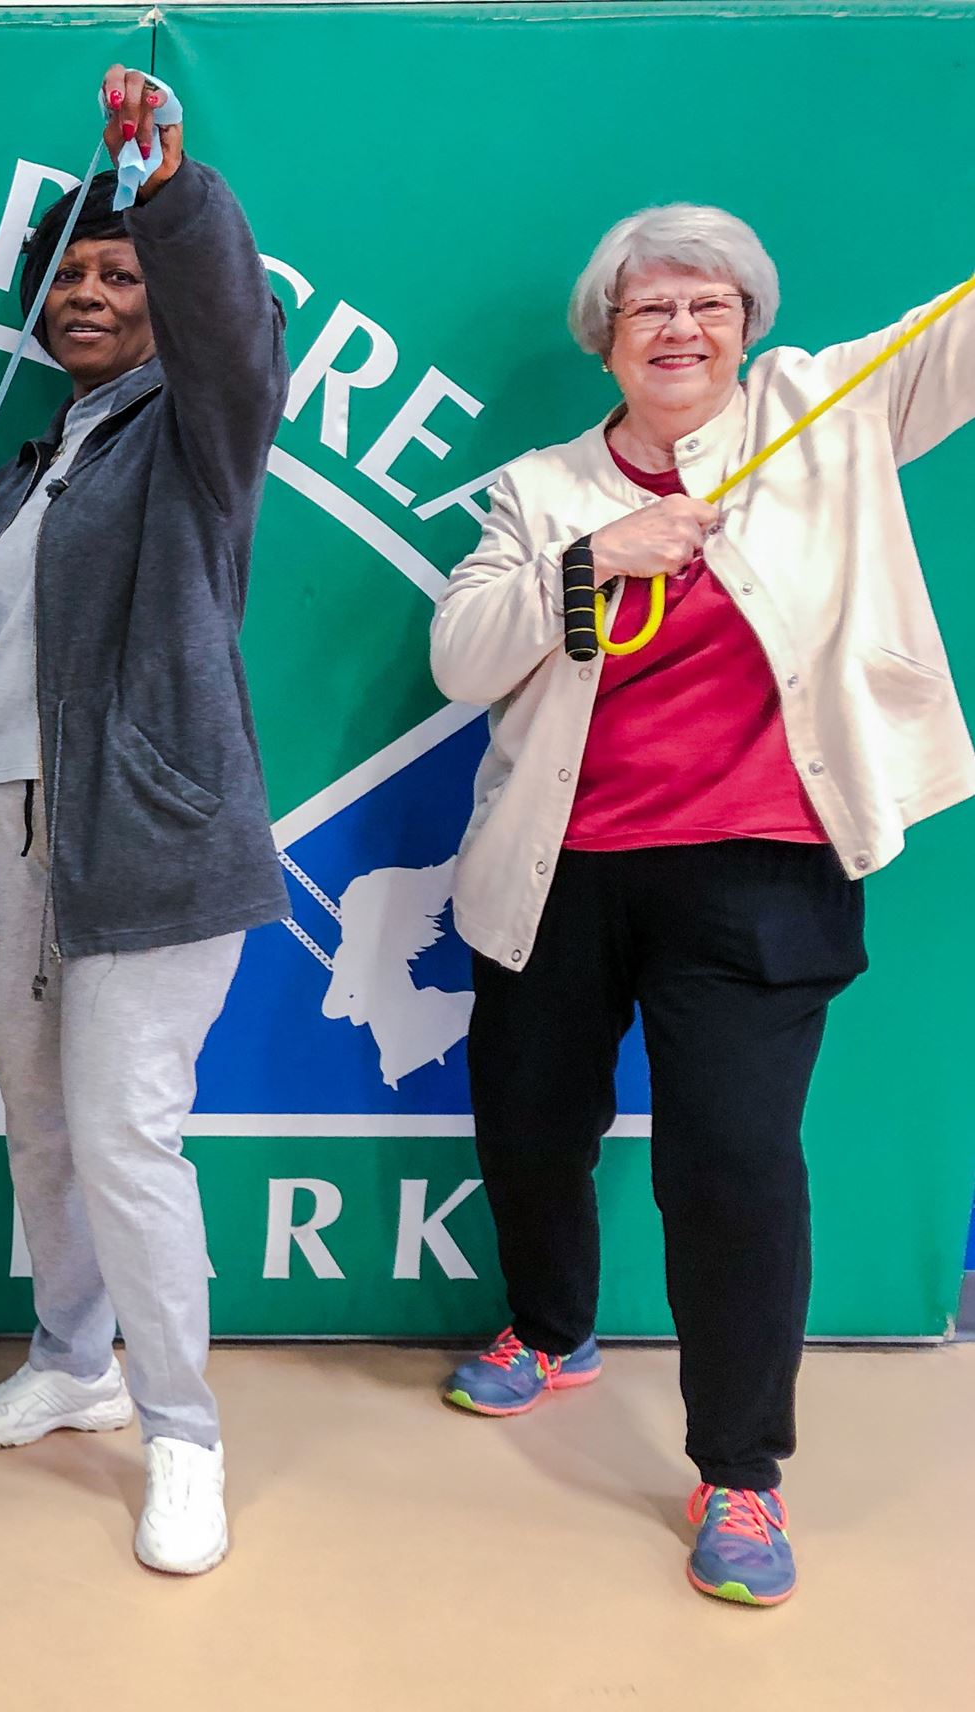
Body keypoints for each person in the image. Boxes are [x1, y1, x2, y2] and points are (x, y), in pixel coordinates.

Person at [430, 204, 975, 1606]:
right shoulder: (540, 491)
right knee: (531, 1121)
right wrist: (597, 560)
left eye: (711, 306)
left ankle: (740, 1472)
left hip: (760, 870)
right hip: (563, 870)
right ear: (605, 338)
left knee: (729, 1168)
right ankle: (551, 1332)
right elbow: (461, 654)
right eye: (651, 308)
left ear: (750, 329)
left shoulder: (828, 412)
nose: (682, 329)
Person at [0, 62, 287, 1578]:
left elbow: (234, 337)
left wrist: (171, 193)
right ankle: (72, 1359)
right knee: (43, 1121)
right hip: (4, 836)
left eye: (120, 271)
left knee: (129, 1134)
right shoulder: (32, 463)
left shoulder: (200, 430)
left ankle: (181, 1434)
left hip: (154, 841)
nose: (89, 292)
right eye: (68, 273)